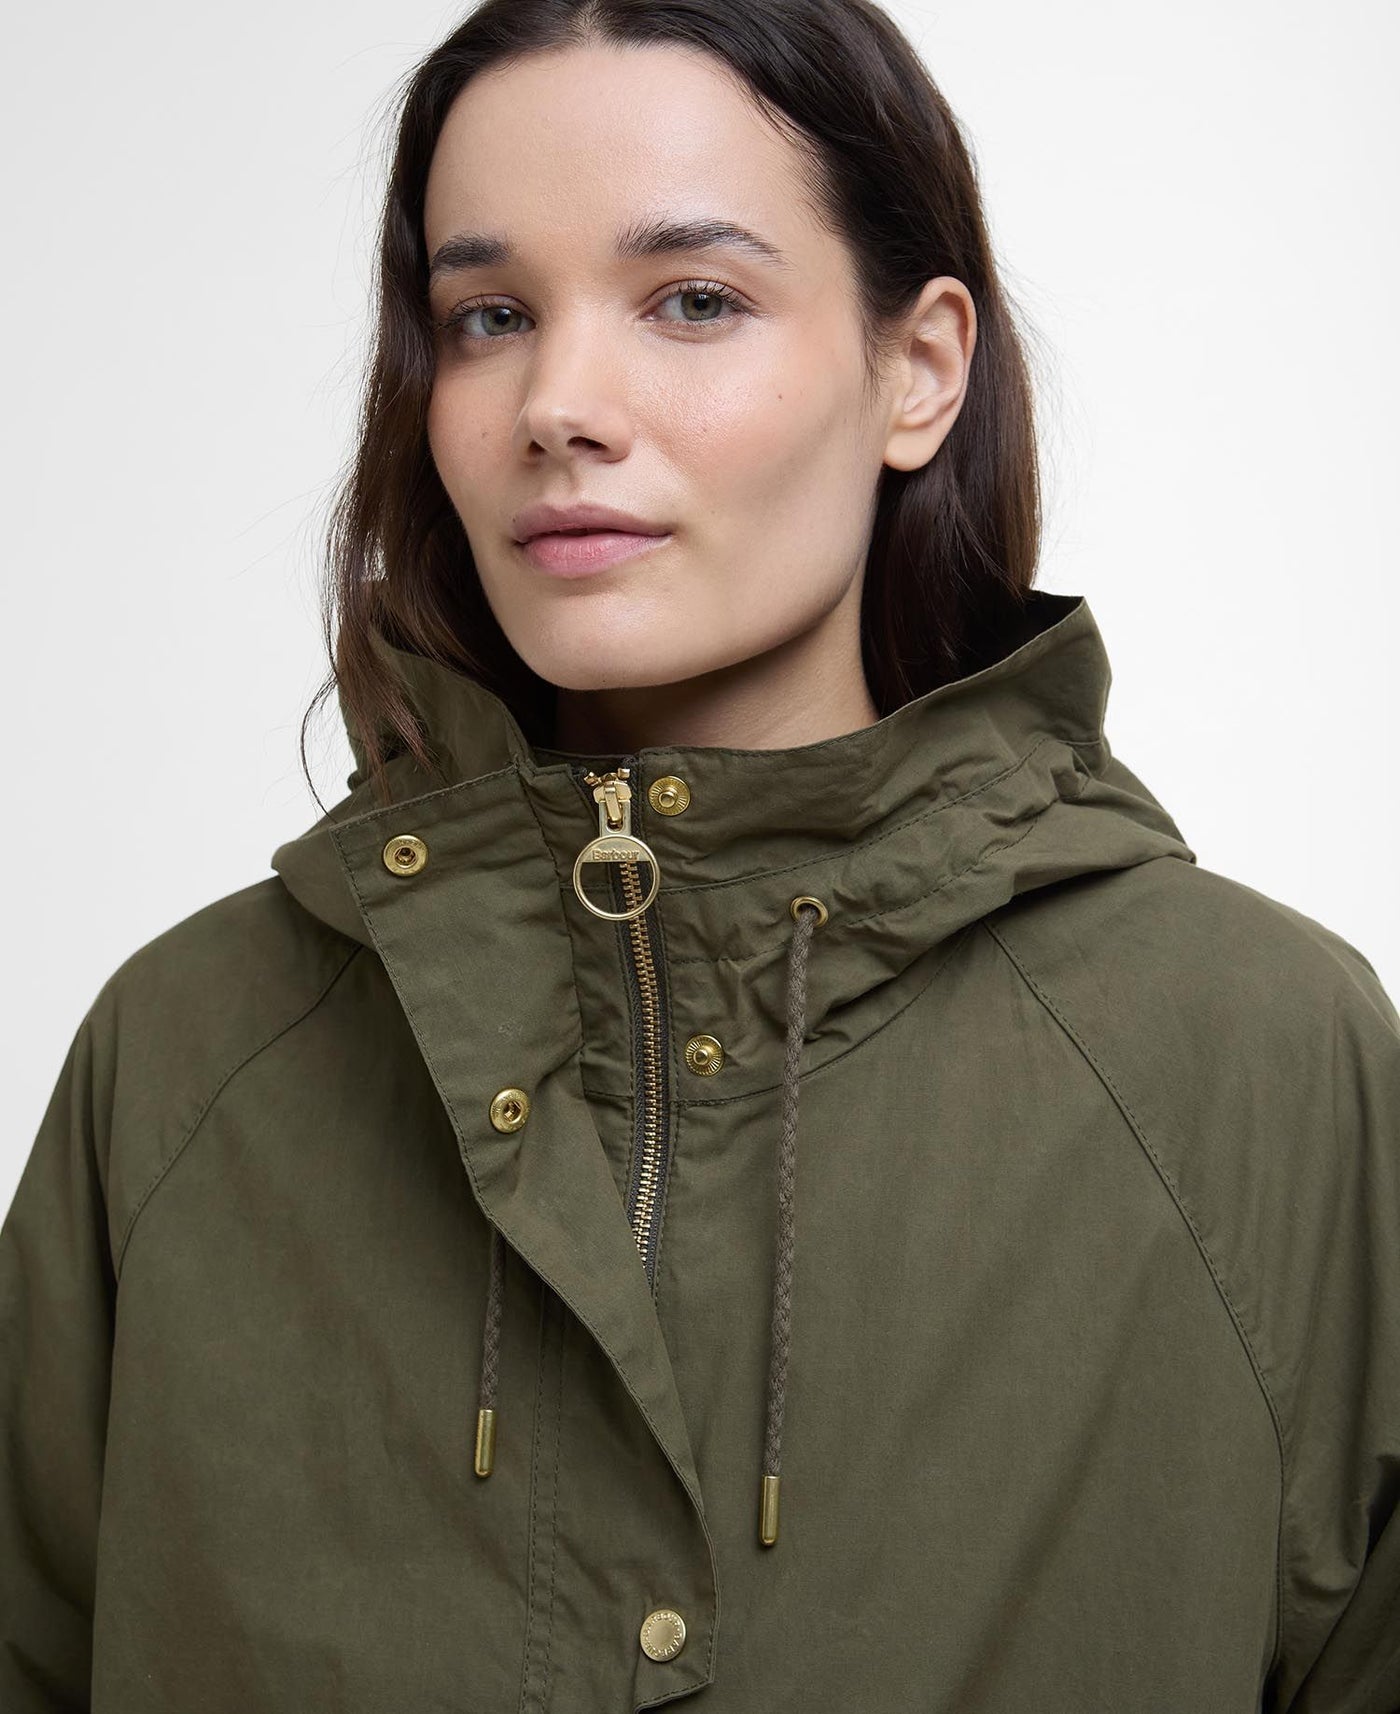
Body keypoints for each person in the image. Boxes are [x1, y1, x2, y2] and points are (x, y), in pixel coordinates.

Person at [3, 1, 1397, 1709]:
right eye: (490, 316)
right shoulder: (184, 1061)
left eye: (693, 301)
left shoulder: (1262, 1068)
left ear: (919, 369)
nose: (559, 405)